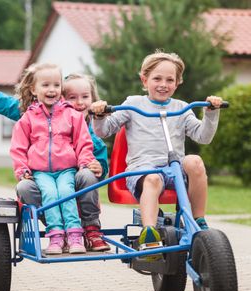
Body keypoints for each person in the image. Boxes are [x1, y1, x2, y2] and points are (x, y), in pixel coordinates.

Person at [90, 50, 223, 258]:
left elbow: (203, 137)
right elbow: (103, 131)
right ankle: (149, 234)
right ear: (145, 80)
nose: (163, 84)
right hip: (143, 171)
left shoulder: (182, 108)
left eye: (170, 80)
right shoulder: (133, 104)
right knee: (152, 179)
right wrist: (99, 115)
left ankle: (198, 221)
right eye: (157, 78)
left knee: (195, 161)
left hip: (175, 170)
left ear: (178, 83)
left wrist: (211, 113)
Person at [0, 74, 110, 251]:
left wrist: (100, 167)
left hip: (77, 192)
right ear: (60, 98)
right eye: (72, 97)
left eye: (85, 97)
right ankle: (56, 229)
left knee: (87, 174)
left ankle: (91, 231)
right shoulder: (39, 116)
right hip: (47, 186)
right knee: (24, 188)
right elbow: (8, 104)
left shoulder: (94, 131)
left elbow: (101, 163)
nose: (79, 103)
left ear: (93, 99)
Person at [9, 63, 96, 255]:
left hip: (67, 170)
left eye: (56, 85)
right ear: (33, 89)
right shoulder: (27, 119)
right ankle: (56, 237)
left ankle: (74, 236)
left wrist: (84, 163)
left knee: (66, 192)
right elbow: (18, 148)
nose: (51, 90)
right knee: (50, 194)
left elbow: (83, 143)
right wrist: (22, 170)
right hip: (41, 173)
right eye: (45, 85)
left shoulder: (73, 115)